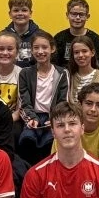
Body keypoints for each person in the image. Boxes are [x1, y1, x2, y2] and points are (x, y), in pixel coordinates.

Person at [17, 30, 69, 165]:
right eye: (36, 48)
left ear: (52, 49)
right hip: (32, 116)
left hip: (53, 117)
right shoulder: (25, 73)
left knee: (50, 143)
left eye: (44, 47)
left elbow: (63, 101)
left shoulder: (62, 73)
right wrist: (31, 118)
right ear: (31, 50)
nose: (40, 51)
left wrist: (55, 118)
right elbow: (23, 102)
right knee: (27, 140)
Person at [53, 82, 99, 171]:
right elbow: (55, 165)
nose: (93, 109)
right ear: (80, 105)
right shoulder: (66, 129)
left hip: (98, 178)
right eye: (89, 103)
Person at [53, 0, 99, 70]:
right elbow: (55, 65)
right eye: (74, 14)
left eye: (81, 14)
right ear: (67, 15)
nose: (77, 18)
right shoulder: (59, 37)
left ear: (87, 16)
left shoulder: (95, 38)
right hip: (64, 75)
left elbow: (98, 65)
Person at [1, 0, 43, 68]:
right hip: (9, 73)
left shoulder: (41, 36)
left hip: (34, 74)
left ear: (30, 13)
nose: (20, 13)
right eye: (16, 10)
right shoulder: (2, 36)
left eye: (24, 10)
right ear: (10, 14)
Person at [65, 36, 99, 104]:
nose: (80, 55)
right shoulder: (68, 75)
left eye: (84, 51)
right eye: (76, 52)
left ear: (92, 53)